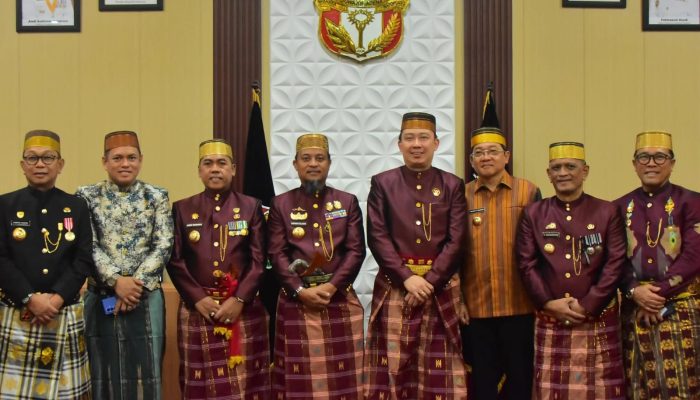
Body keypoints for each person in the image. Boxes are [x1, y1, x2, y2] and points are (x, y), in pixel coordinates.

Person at [364, 112, 468, 400]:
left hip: (440, 287)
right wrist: (407, 278)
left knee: (440, 367)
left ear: (436, 143)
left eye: (424, 138)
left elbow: (457, 240)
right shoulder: (383, 183)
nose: (417, 144)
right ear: (399, 144)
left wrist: (430, 281)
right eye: (409, 138)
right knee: (394, 366)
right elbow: (377, 236)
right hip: (396, 286)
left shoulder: (452, 184)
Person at [517, 141, 626, 399]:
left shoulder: (607, 210)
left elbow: (615, 262)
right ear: (548, 174)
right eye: (556, 168)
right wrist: (547, 302)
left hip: (596, 315)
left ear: (585, 171)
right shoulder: (534, 213)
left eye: (570, 166)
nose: (563, 173)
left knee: (602, 389)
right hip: (551, 315)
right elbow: (526, 263)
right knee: (550, 389)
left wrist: (589, 304)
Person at [167, 139, 270, 399]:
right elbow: (175, 260)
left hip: (243, 308)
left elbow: (259, 260)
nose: (215, 169)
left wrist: (240, 299)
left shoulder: (251, 207)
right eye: (208, 163)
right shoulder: (182, 208)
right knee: (198, 383)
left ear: (233, 169)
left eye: (222, 163)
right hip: (198, 309)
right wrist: (198, 298)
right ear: (199, 170)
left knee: (246, 383)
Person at [267, 133, 366, 399]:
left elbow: (356, 251)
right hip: (296, 299)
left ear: (329, 163)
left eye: (320, 158)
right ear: (295, 164)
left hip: (338, 297)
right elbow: (276, 254)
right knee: (297, 379)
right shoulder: (280, 204)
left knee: (345, 378)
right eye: (306, 158)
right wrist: (300, 290)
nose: (313, 163)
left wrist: (331, 287)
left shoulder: (347, 202)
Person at [76, 130, 173, 399]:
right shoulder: (87, 195)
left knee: (146, 370)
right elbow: (87, 244)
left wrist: (133, 286)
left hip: (145, 296)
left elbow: (164, 243)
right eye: (117, 158)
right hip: (101, 295)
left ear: (141, 160)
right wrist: (117, 281)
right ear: (104, 162)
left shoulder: (156, 195)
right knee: (102, 369)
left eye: (131, 157)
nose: (125, 164)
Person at [0, 130, 93, 399]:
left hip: (62, 310)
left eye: (48, 158)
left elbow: (83, 259)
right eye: (32, 158)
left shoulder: (76, 206)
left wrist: (56, 299)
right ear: (22, 164)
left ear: (60, 164)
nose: (40, 164)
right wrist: (29, 298)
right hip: (18, 310)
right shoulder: (5, 205)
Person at [613, 131, 700, 400]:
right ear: (634, 164)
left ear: (672, 163)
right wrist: (634, 291)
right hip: (634, 308)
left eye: (660, 157)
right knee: (636, 385)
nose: (651, 163)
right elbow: (615, 259)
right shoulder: (618, 207)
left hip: (680, 307)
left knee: (682, 386)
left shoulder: (693, 202)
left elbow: (694, 256)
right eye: (644, 157)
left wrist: (656, 295)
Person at [461, 127, 540, 399]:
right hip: (476, 306)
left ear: (506, 156)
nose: (486, 157)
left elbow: (540, 249)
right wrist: (458, 300)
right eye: (479, 153)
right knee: (482, 381)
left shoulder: (528, 191)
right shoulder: (462, 195)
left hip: (520, 303)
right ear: (471, 160)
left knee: (520, 379)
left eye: (493, 151)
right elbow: (454, 250)